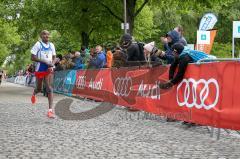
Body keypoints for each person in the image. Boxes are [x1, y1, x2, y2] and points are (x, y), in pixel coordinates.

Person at [30, 30, 56, 118]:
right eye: (44, 34)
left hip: (49, 68)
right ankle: (34, 93)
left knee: (49, 88)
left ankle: (50, 111)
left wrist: (52, 63)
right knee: (39, 88)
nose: (46, 36)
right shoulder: (38, 44)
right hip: (40, 68)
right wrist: (44, 61)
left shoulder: (51, 45)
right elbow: (32, 57)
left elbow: (54, 57)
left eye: (48, 34)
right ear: (41, 36)